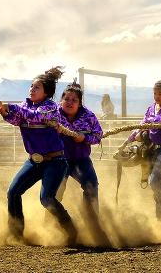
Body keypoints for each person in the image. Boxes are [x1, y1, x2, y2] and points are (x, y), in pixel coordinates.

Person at [0, 66, 77, 245]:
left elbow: (36, 117)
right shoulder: (25, 106)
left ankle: (71, 229)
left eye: (36, 87)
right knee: (13, 192)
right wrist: (6, 114)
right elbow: (19, 119)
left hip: (55, 161)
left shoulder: (50, 108)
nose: (32, 89)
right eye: (31, 86)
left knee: (46, 198)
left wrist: (12, 107)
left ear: (46, 92)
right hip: (34, 161)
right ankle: (15, 233)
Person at [56, 80, 110, 246]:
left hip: (81, 159)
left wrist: (84, 138)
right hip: (59, 160)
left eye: (74, 100)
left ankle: (93, 223)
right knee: (54, 192)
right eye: (67, 99)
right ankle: (53, 224)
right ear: (61, 100)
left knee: (91, 185)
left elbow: (98, 136)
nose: (70, 103)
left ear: (79, 103)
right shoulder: (53, 115)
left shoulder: (89, 116)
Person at [126, 80, 161, 221]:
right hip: (152, 149)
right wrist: (131, 138)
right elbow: (143, 124)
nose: (157, 96)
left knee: (154, 180)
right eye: (155, 93)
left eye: (160, 93)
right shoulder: (151, 108)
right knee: (155, 183)